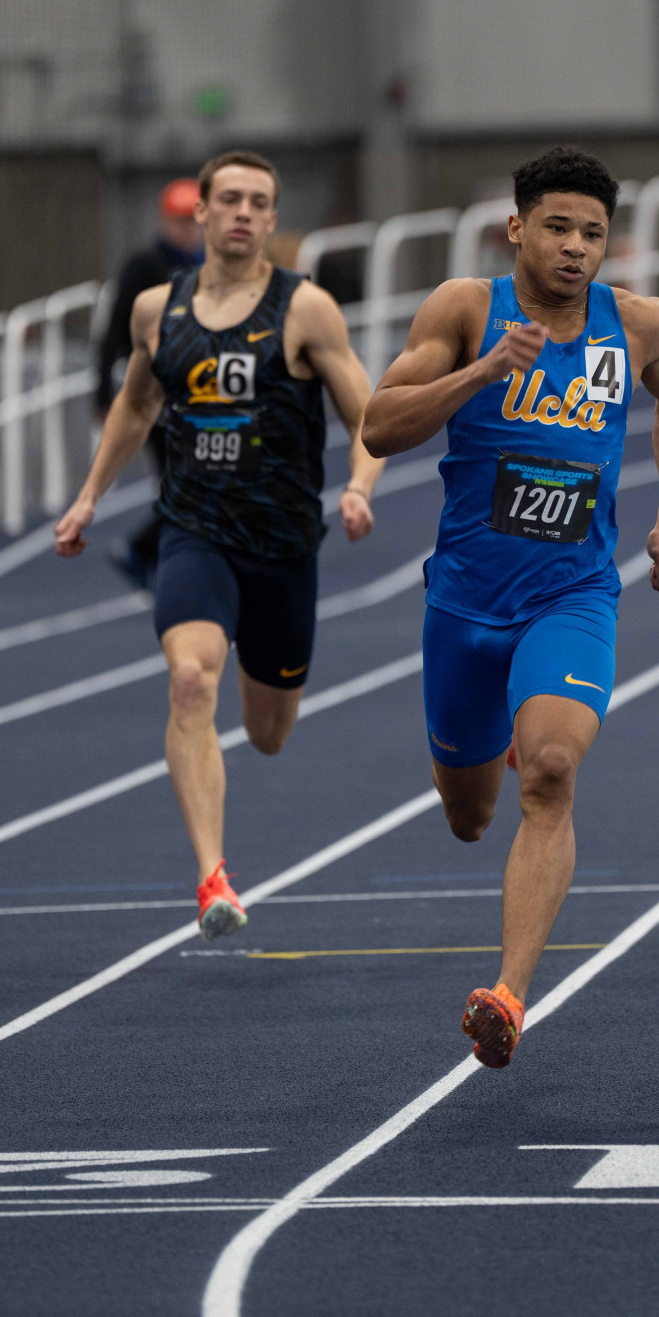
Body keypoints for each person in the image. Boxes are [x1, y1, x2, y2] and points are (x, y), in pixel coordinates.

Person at [362, 144, 659, 1068]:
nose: (576, 249)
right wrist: (481, 372)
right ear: (516, 228)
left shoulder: (640, 326)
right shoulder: (466, 309)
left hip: (573, 591)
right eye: (557, 227)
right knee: (470, 814)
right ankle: (492, 733)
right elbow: (377, 425)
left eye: (593, 233)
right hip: (466, 606)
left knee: (549, 769)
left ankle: (508, 995)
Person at [55, 150, 384, 939]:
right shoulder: (153, 311)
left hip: (282, 543)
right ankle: (212, 878)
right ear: (199, 214)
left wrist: (358, 487)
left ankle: (254, 688)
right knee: (191, 680)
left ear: (272, 220)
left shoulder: (306, 310)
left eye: (257, 201)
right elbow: (135, 408)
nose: (242, 212)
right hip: (193, 530)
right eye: (228, 198)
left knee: (269, 734)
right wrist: (89, 497)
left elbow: (372, 417)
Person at [95, 179, 204, 586]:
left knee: (200, 477)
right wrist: (105, 391)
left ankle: (161, 554)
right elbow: (111, 330)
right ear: (164, 221)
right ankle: (145, 549)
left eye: (192, 220)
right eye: (178, 220)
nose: (186, 228)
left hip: (200, 393)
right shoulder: (144, 265)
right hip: (156, 392)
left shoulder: (209, 264)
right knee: (188, 478)